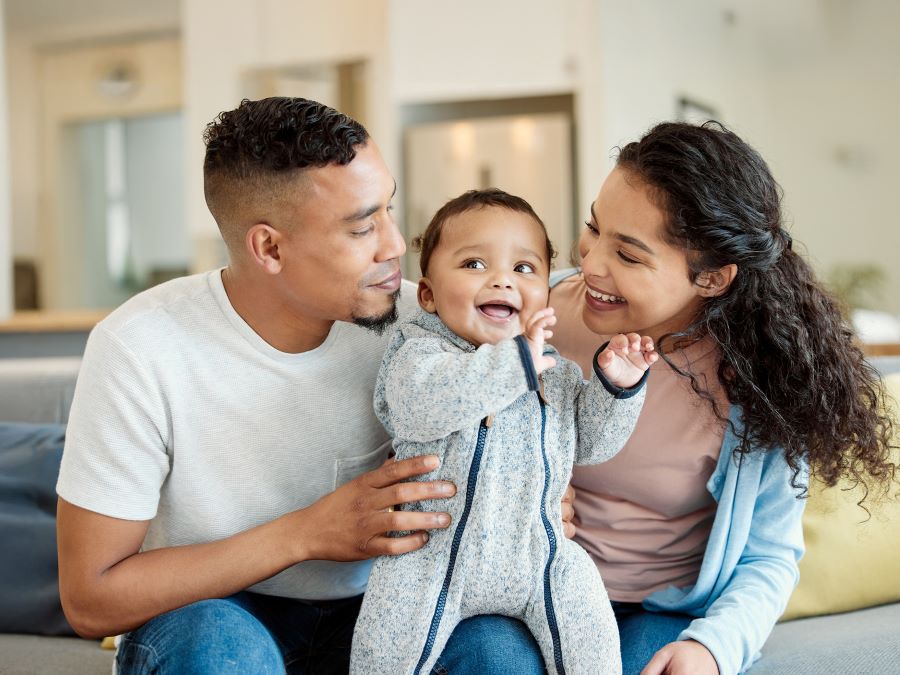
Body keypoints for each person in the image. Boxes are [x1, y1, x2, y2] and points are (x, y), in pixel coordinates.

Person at [55, 97, 550, 674]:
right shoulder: (140, 347)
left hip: (392, 605)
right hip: (215, 614)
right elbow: (90, 600)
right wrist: (306, 535)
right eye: (363, 226)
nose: (394, 245)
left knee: (500, 651)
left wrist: (536, 493)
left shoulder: (428, 326)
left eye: (388, 210)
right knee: (216, 644)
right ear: (269, 247)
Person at [547, 121, 896, 675]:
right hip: (533, 583)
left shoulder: (761, 384)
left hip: (656, 610)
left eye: (629, 256)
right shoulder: (530, 317)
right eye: (595, 228)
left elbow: (769, 556)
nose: (590, 264)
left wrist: (712, 647)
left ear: (711, 279)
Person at [350, 189, 657, 675]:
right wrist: (515, 364)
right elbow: (421, 408)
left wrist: (618, 386)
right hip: (431, 558)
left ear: (546, 295)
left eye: (524, 268)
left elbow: (593, 444)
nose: (501, 280)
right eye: (473, 264)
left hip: (540, 556)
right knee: (383, 653)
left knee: (591, 631)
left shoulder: (555, 373)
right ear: (427, 294)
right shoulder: (420, 354)